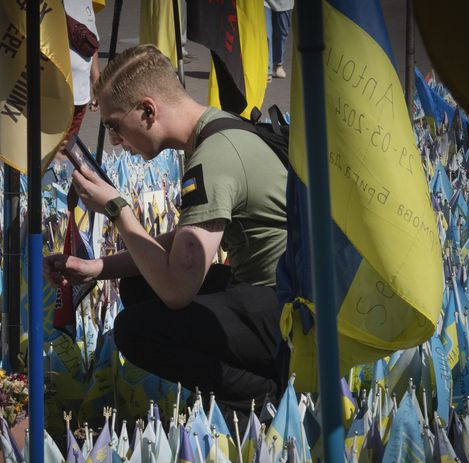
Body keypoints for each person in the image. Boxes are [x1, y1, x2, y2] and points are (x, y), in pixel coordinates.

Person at [44, 44, 289, 417]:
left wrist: (117, 209)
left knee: (134, 330)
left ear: (147, 110)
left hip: (292, 313)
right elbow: (186, 239)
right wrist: (99, 269)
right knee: (139, 284)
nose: (114, 141)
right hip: (282, 294)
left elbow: (177, 290)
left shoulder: (214, 158)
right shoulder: (217, 130)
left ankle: (259, 396)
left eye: (113, 125)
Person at [64, 0, 101, 139]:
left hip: (80, 94)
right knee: (53, 152)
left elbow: (92, 43)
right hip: (54, 95)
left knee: (66, 150)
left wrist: (97, 83)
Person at [265, 0, 293, 80]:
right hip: (264, 2)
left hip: (285, 3)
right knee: (266, 33)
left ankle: (278, 64)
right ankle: (267, 69)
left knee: (282, 33)